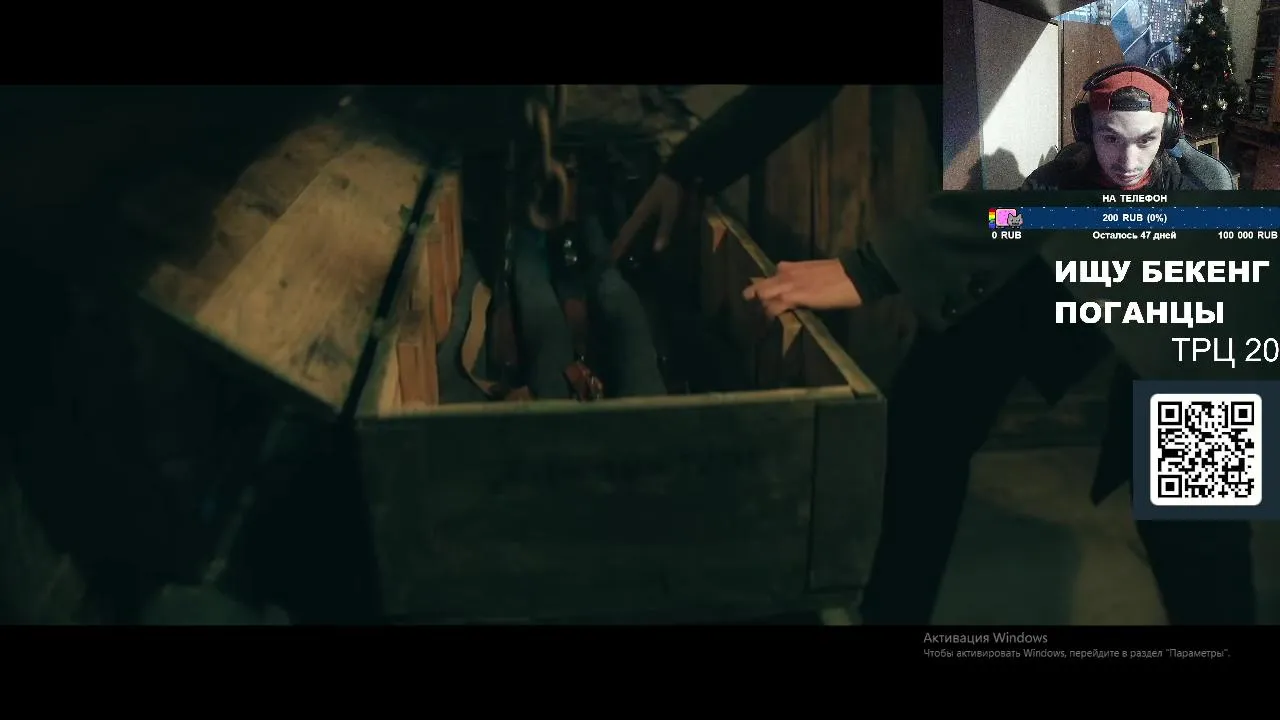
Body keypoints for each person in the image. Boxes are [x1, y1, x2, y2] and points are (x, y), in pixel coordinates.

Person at [612, 77, 1265, 625]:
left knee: (1200, 504)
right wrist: (694, 163)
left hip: (1188, 260)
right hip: (1021, 247)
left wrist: (874, 267)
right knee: (924, 429)